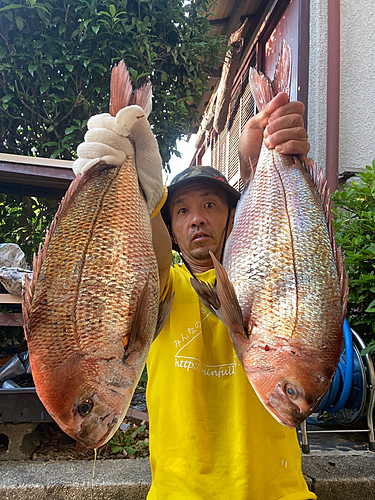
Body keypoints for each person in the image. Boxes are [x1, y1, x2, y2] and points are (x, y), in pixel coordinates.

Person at [75, 91, 316, 499]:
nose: (197, 218)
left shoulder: (263, 287)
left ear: (234, 216)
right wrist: (143, 195)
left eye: (210, 204)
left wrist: (258, 160)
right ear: (170, 229)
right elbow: (147, 251)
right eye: (182, 210)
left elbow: (278, 236)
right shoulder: (163, 288)